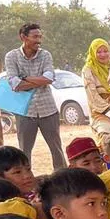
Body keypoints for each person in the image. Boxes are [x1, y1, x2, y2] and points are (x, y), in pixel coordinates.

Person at [4, 23, 65, 169]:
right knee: (24, 152)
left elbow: (49, 78)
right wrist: (39, 80)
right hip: (25, 111)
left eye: (40, 37)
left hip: (48, 110)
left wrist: (24, 78)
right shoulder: (11, 56)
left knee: (56, 149)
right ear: (23, 37)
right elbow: (15, 85)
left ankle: (62, 176)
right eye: (35, 37)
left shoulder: (45, 55)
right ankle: (26, 178)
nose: (39, 40)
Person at [82, 38, 110, 143]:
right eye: (99, 52)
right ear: (93, 53)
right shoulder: (88, 70)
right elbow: (92, 95)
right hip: (100, 113)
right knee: (107, 140)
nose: (103, 55)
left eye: (105, 51)